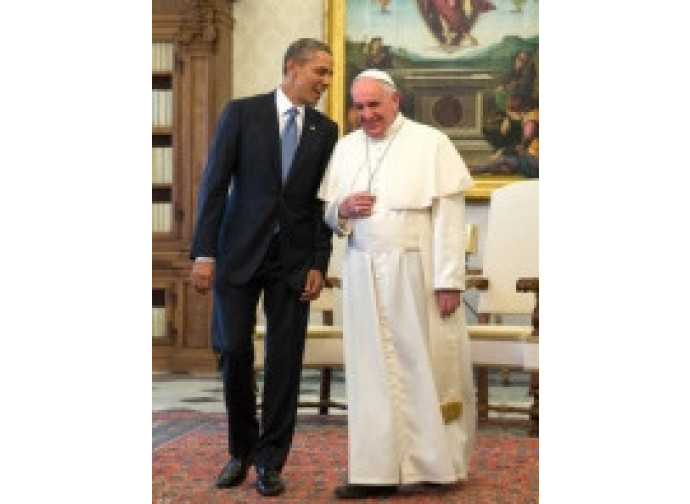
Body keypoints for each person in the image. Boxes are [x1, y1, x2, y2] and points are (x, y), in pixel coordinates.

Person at [189, 38, 338, 497]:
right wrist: (204, 253)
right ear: (292, 67)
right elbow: (213, 185)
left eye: (329, 74)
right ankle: (241, 450)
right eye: (320, 72)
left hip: (292, 263)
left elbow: (320, 204)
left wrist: (318, 262)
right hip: (236, 254)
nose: (326, 83)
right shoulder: (241, 113)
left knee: (284, 361)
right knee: (233, 349)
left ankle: (271, 461)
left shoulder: (325, 130)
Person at [318, 69, 477, 499]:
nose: (367, 114)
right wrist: (341, 209)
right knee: (370, 372)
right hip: (361, 272)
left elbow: (449, 219)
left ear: (395, 101)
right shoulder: (347, 148)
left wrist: (449, 281)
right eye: (360, 107)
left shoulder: (431, 143)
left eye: (375, 105)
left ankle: (433, 466)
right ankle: (374, 470)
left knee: (421, 366)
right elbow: (328, 212)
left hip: (417, 272)